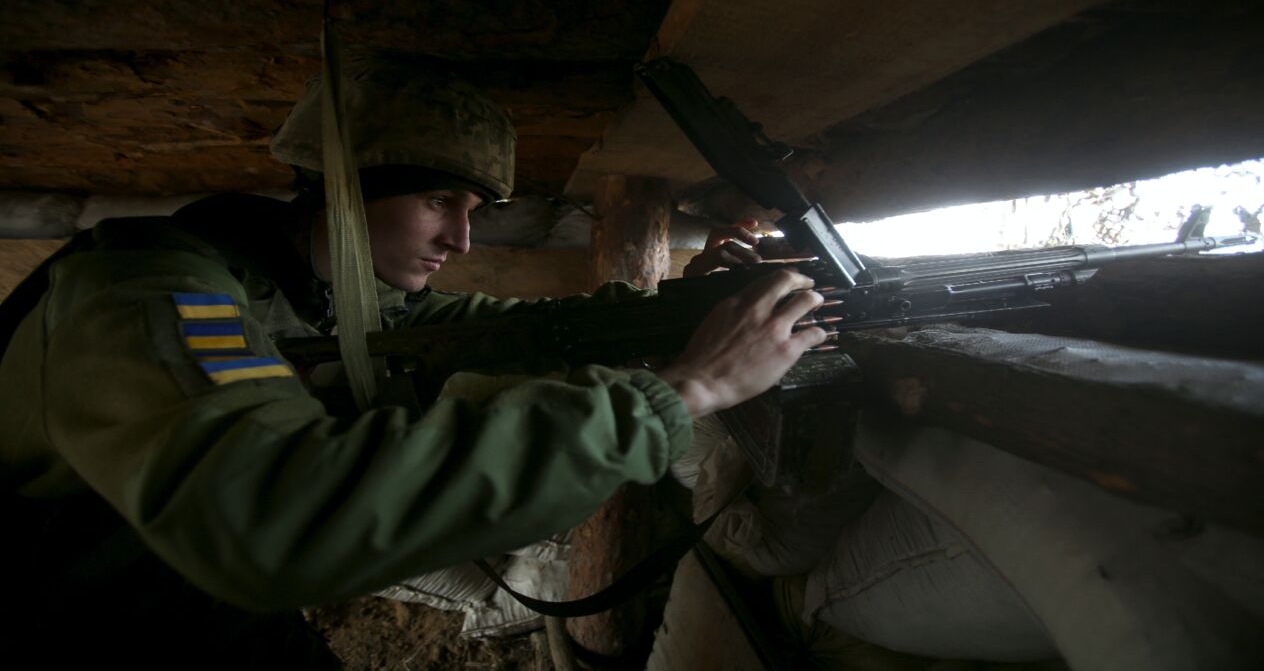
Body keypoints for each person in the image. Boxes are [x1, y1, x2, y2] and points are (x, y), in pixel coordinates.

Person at [0, 57, 826, 665]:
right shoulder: (146, 291)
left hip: (170, 575)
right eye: (437, 201)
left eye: (472, 211)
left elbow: (518, 333)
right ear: (344, 189)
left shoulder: (338, 294)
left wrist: (690, 310)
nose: (461, 240)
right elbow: (271, 516)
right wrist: (689, 390)